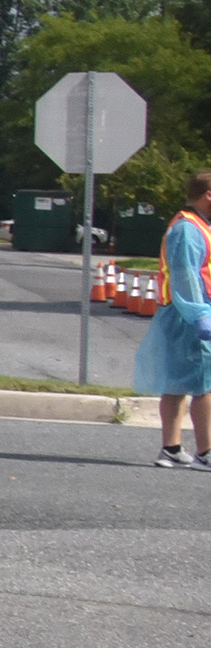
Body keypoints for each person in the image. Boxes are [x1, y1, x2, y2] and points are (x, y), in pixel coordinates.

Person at [135, 172, 211, 466]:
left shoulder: (196, 226)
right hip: (189, 315)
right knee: (203, 385)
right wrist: (200, 315)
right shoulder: (187, 229)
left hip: (187, 314)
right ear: (207, 195)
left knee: (177, 382)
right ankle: (205, 452)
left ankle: (172, 448)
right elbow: (185, 275)